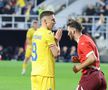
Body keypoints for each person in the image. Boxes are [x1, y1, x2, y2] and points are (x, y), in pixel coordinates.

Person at [66, 19, 107, 90]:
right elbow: (93, 57)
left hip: (91, 76)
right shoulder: (86, 38)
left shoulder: (82, 42)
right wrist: (80, 59)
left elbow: (92, 58)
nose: (68, 34)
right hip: (99, 76)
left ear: (73, 31)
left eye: (68, 31)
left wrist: (79, 67)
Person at [31, 11, 62, 90]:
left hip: (35, 74)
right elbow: (56, 54)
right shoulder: (48, 34)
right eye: (52, 20)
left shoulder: (36, 33)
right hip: (46, 74)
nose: (54, 22)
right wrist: (57, 40)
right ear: (45, 21)